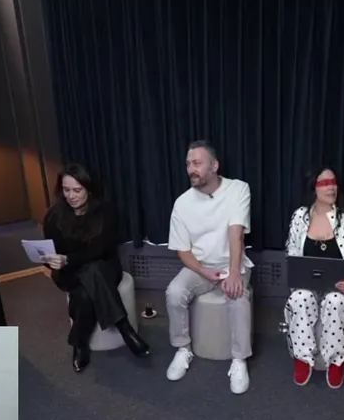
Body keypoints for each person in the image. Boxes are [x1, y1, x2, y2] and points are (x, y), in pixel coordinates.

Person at [40, 163, 149, 372]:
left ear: (89, 189)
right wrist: (51, 261)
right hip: (69, 273)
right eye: (66, 190)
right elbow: (50, 252)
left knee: (89, 280)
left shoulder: (105, 211)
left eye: (77, 190)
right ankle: (125, 330)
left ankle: (79, 344)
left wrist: (68, 259)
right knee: (86, 282)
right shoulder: (54, 216)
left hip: (104, 267)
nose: (71, 196)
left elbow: (99, 250)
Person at [164, 140, 254, 394]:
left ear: (214, 166)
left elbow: (236, 233)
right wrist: (203, 272)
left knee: (238, 296)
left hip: (231, 262)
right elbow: (183, 250)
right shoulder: (182, 203)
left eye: (197, 163)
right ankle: (183, 349)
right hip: (200, 266)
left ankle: (239, 360)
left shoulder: (238, 189)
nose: (191, 169)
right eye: (188, 164)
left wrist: (234, 273)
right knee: (174, 292)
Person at [284, 167, 344, 388]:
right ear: (313, 189)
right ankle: (302, 358)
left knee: (334, 301)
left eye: (333, 182)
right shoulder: (300, 217)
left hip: (337, 288)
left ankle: (336, 361)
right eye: (325, 183)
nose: (331, 187)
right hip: (305, 286)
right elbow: (291, 251)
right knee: (300, 297)